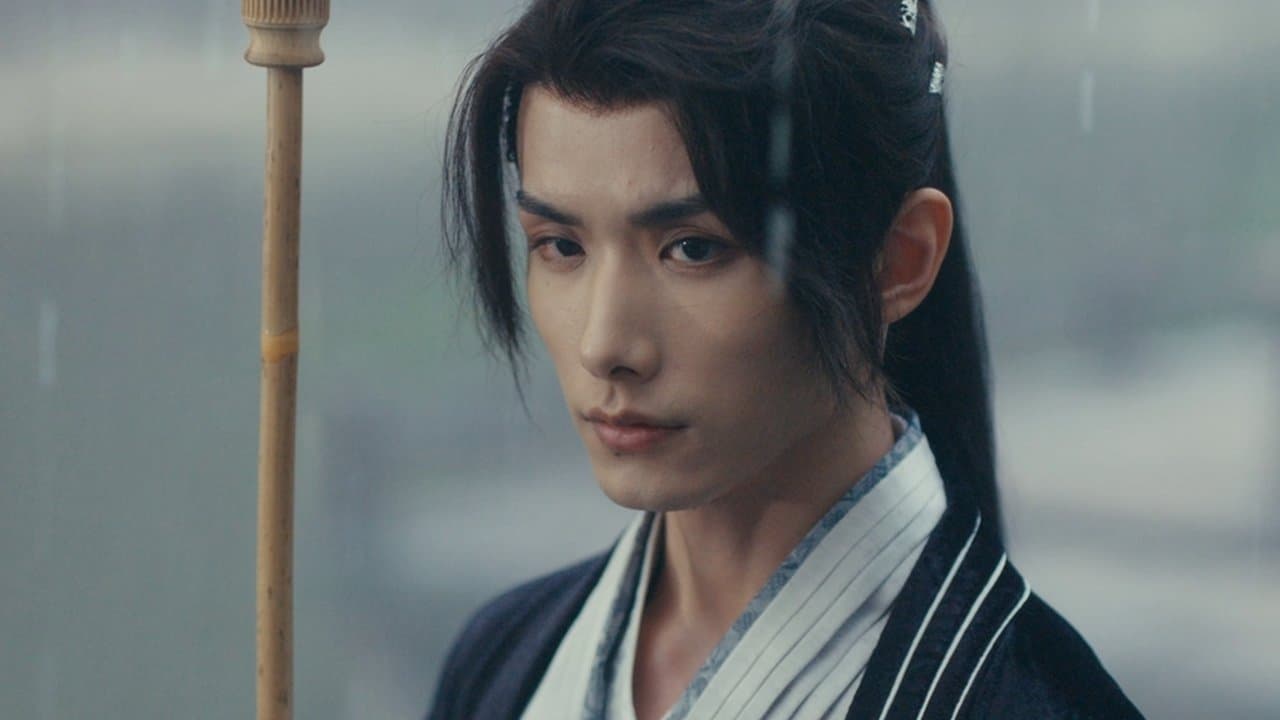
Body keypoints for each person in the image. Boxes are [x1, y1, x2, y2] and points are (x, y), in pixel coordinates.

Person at [427, 1, 1145, 718]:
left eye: (693, 248)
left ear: (899, 259)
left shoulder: (1028, 702)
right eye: (560, 245)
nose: (604, 345)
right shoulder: (505, 661)